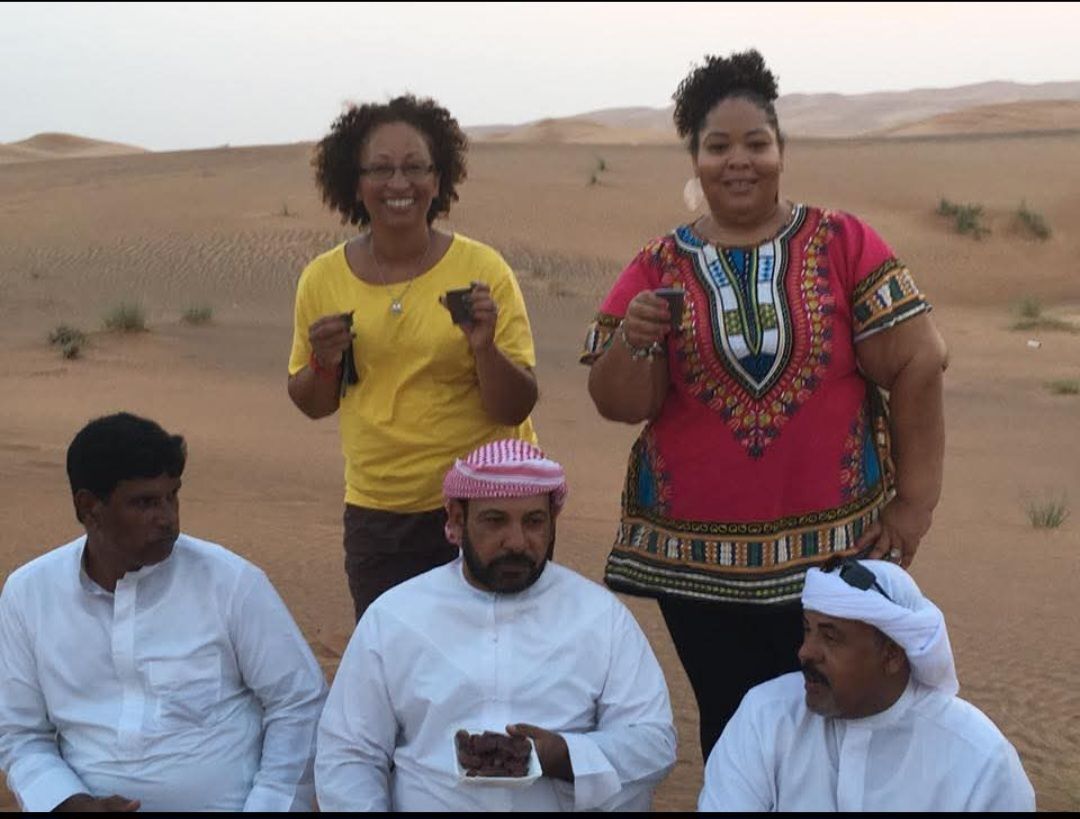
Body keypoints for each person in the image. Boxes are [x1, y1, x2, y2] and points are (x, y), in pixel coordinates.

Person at [581, 49, 948, 760]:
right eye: (718, 146)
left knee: (838, 723)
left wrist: (914, 505)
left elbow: (920, 357)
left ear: (782, 151)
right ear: (696, 160)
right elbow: (615, 401)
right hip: (694, 567)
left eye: (756, 143)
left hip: (834, 558)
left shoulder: (843, 243)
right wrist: (635, 339)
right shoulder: (658, 264)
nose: (738, 161)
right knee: (733, 725)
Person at [315, 440, 676, 811]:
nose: (517, 542)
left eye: (534, 522)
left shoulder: (600, 616)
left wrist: (565, 755)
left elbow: (653, 742)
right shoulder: (396, 615)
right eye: (495, 520)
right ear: (457, 520)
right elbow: (349, 752)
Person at [288, 94, 540, 623]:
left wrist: (484, 347)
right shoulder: (323, 279)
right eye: (380, 168)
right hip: (381, 513)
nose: (398, 184)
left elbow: (514, 404)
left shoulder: (482, 269)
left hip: (489, 504)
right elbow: (311, 402)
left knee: (498, 658)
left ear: (438, 177)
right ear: (354, 182)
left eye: (415, 167)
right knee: (395, 663)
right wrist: (323, 362)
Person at [0, 413, 328, 812]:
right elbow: (19, 733)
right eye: (144, 503)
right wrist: (68, 803)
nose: (168, 518)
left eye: (172, 496)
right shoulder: (29, 594)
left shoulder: (230, 583)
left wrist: (269, 807)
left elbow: (299, 703)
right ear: (89, 508)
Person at [698, 558, 1035, 811]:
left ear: (891, 655)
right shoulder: (765, 717)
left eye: (830, 637)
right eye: (807, 629)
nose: (805, 652)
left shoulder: (979, 761)